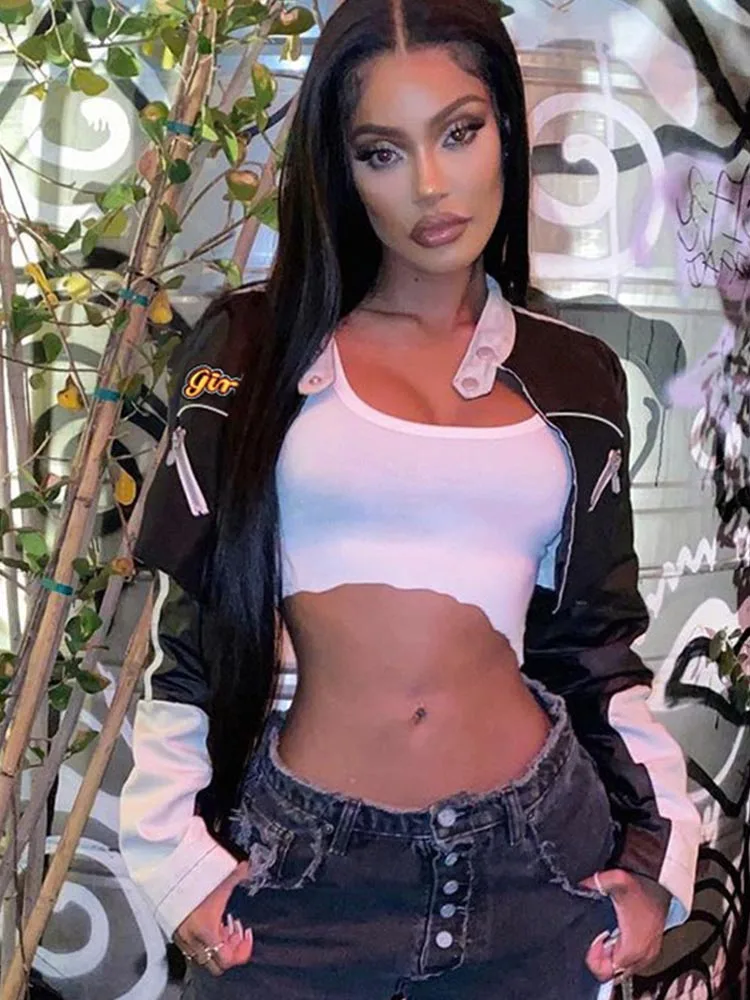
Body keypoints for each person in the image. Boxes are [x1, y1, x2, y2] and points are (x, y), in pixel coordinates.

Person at [119, 1, 701, 997]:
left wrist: (658, 861)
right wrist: (175, 859)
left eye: (459, 132)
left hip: (537, 860)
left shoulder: (578, 376)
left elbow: (599, 648)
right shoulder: (249, 349)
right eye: (382, 152)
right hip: (302, 876)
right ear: (339, 169)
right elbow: (191, 636)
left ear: (507, 129)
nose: (431, 185)